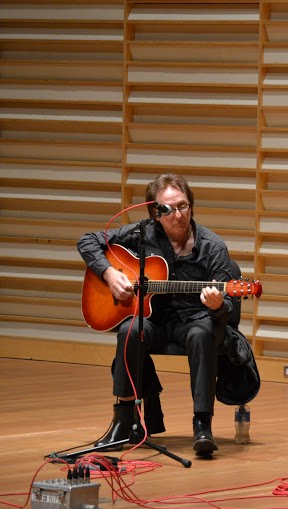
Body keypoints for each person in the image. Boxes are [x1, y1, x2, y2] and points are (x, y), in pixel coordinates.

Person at [77, 173, 234, 456]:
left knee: (202, 334)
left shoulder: (214, 247)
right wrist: (110, 273)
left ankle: (202, 425)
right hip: (153, 319)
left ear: (192, 206)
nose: (178, 215)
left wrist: (217, 304)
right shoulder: (142, 232)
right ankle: (123, 420)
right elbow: (87, 241)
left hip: (193, 321)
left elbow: (228, 306)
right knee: (129, 330)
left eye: (183, 206)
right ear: (155, 213)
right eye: (169, 209)